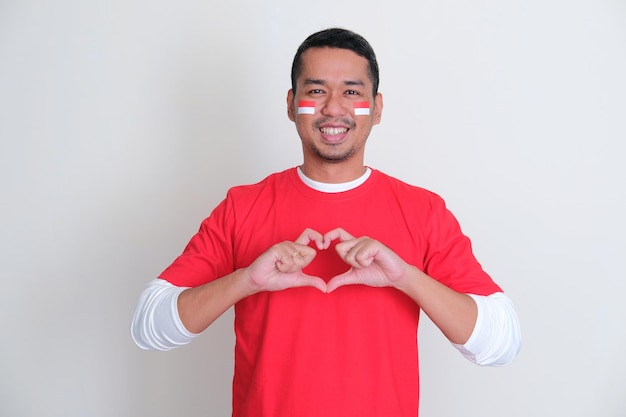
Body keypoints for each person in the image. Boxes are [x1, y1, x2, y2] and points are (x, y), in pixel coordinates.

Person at [131, 27, 521, 417]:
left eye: (352, 91)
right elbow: (150, 327)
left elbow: (501, 344)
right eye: (316, 90)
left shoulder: (423, 210)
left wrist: (405, 276)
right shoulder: (241, 206)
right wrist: (246, 280)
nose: (334, 108)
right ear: (291, 103)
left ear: (378, 107)